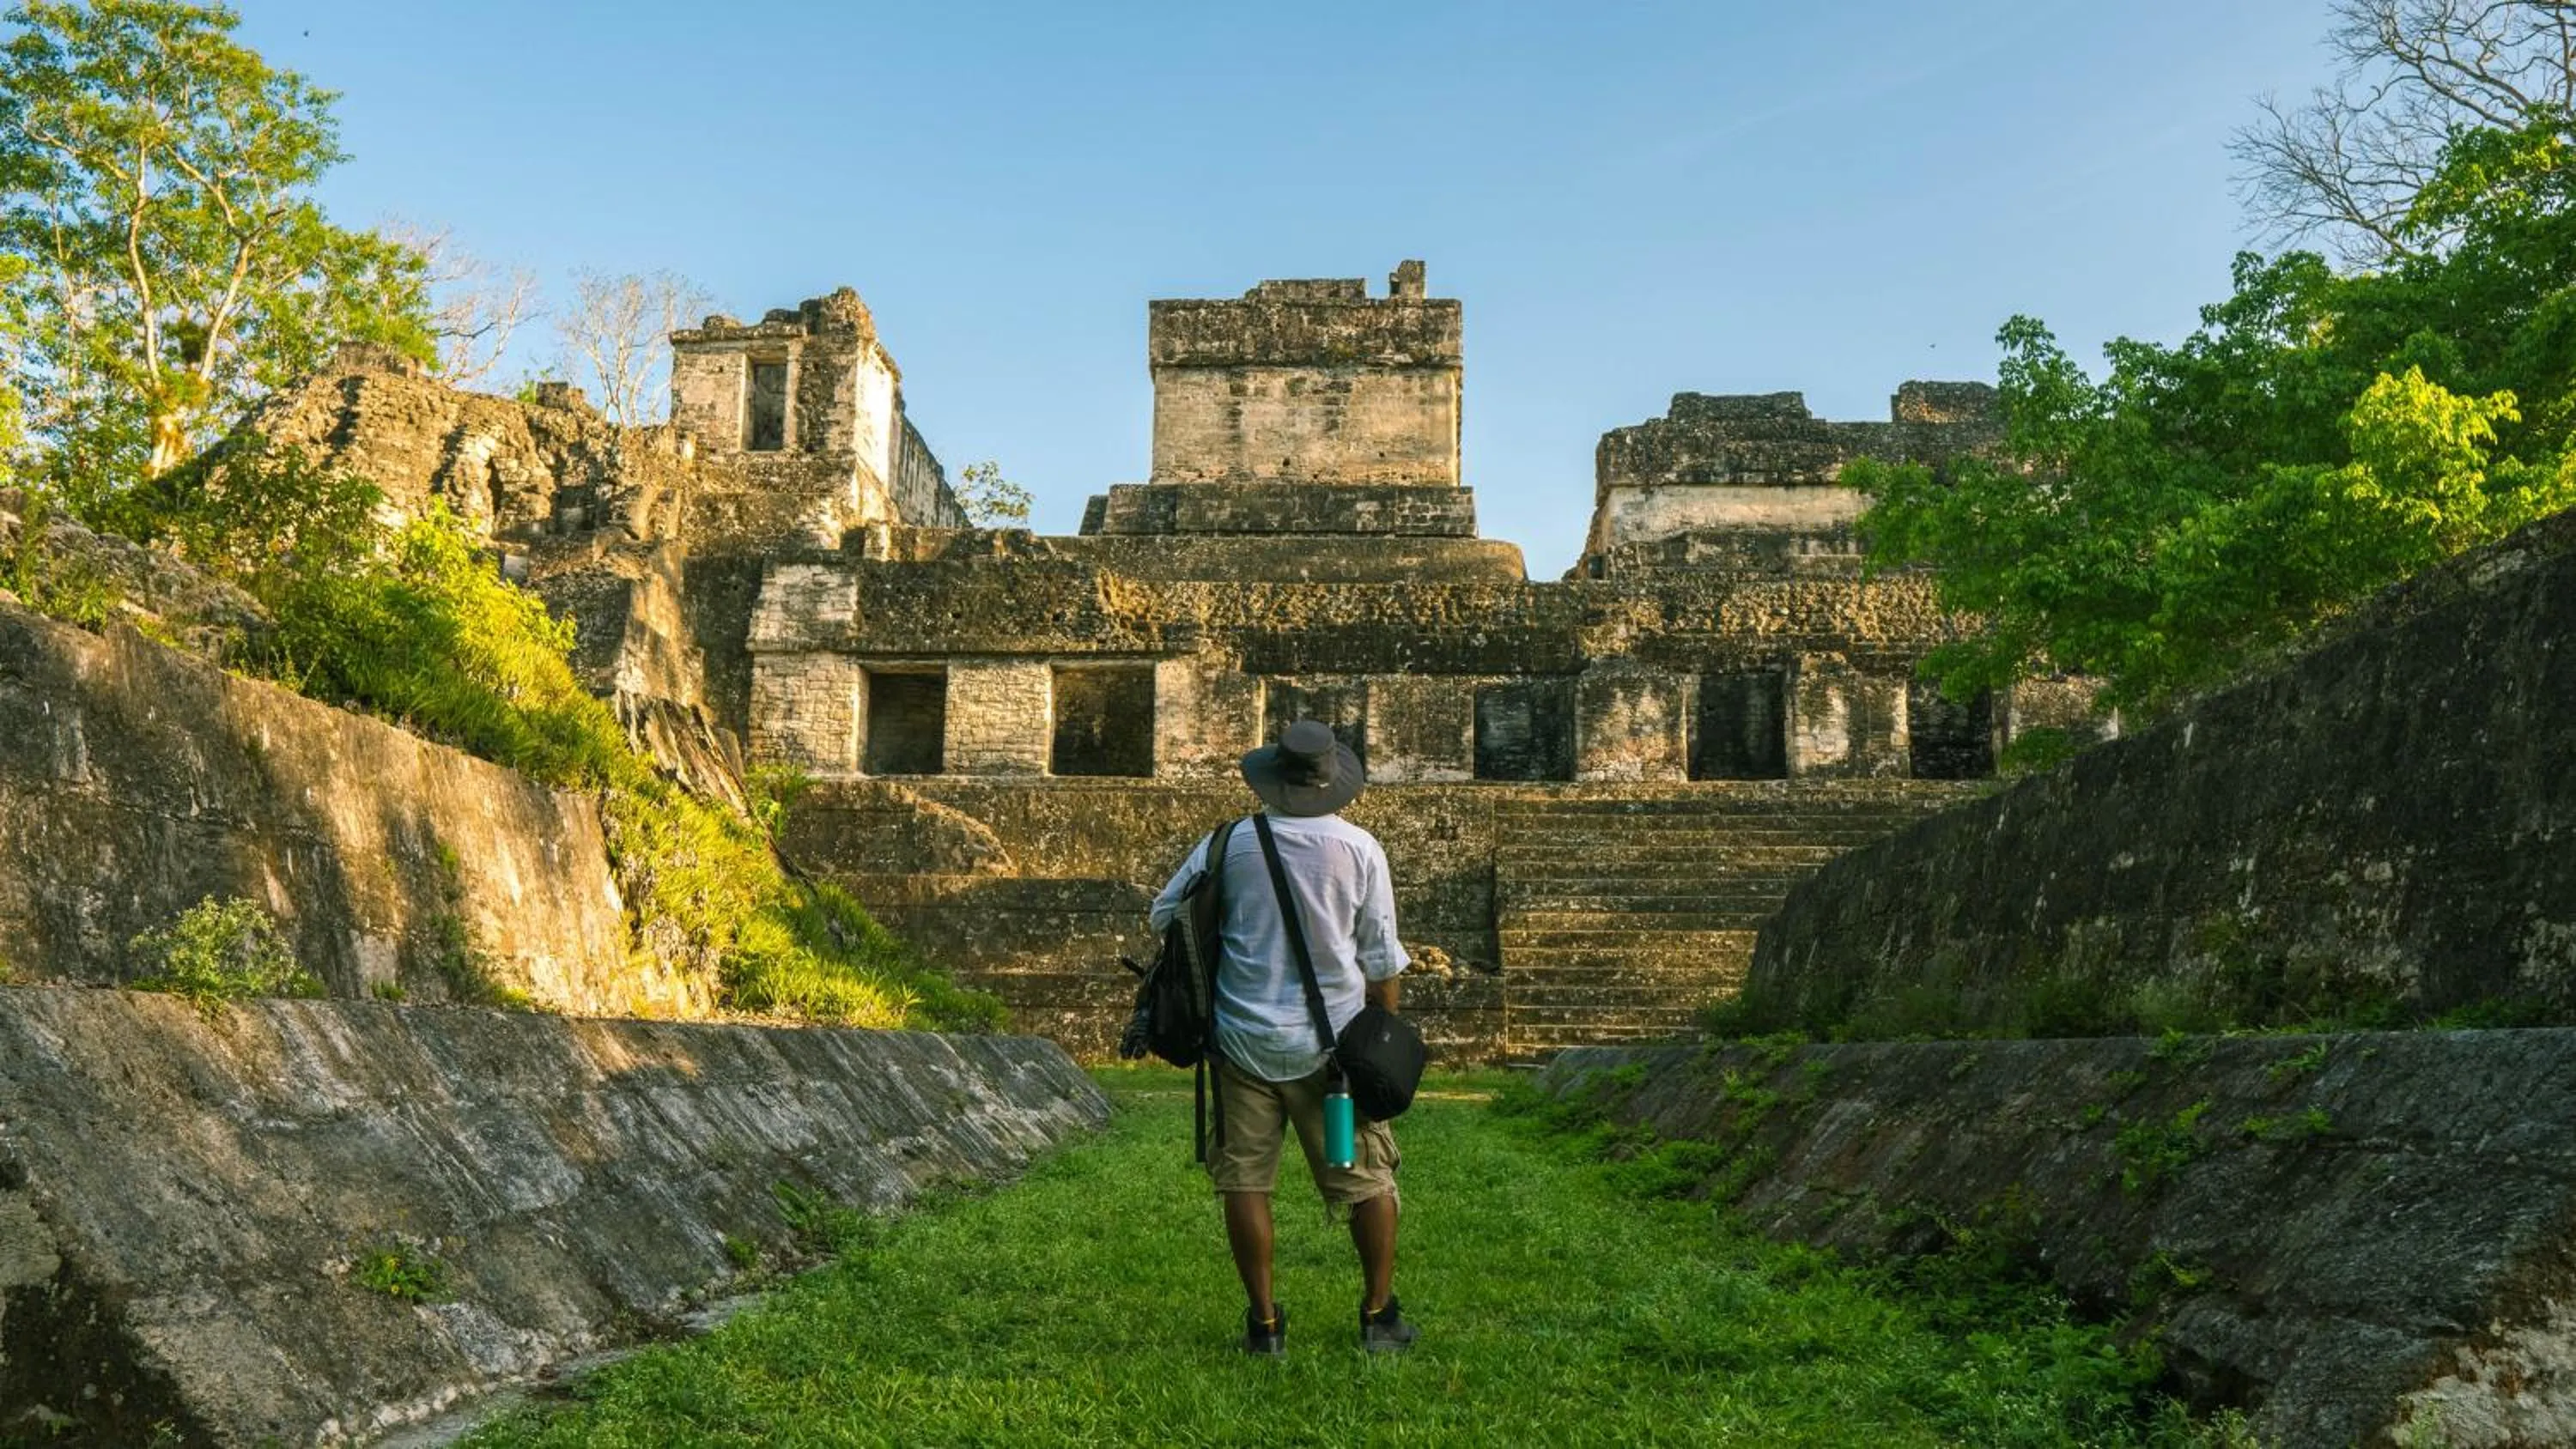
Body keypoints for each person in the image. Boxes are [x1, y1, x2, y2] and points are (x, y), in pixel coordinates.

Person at [1147, 718, 1419, 1357]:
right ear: (1332, 782)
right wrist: (1381, 1026)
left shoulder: (1231, 844)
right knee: (1365, 1177)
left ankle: (1264, 1325)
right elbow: (1381, 959)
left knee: (1246, 1181)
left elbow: (1165, 916)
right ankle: (1378, 1316)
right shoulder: (1359, 849)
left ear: (1274, 779)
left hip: (1242, 1044)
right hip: (1336, 1063)